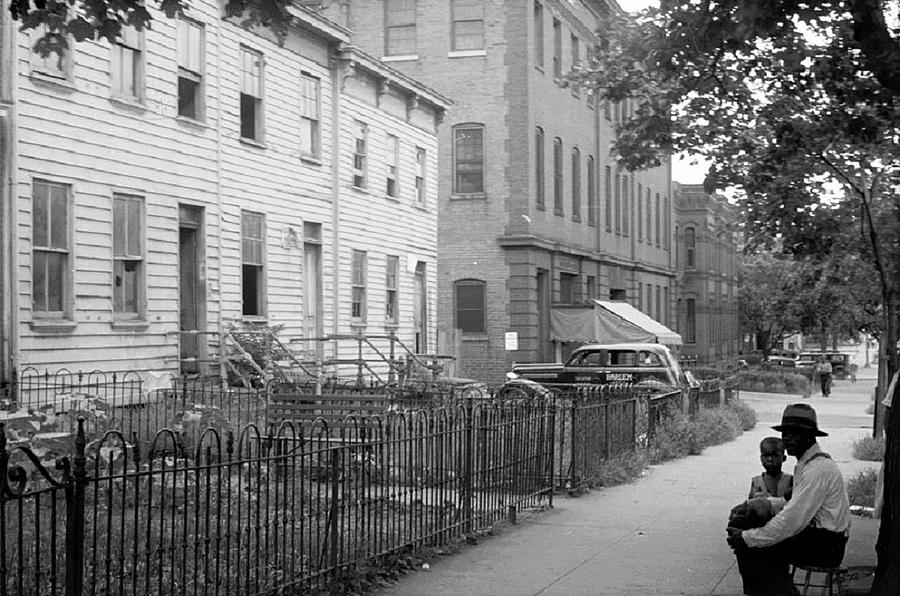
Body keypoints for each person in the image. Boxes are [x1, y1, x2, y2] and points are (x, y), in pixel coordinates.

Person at [726, 403, 851, 596]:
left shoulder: (817, 469)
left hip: (826, 546)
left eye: (795, 434)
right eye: (785, 434)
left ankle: (780, 592)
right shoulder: (807, 464)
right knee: (748, 519)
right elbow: (790, 503)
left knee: (754, 547)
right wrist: (753, 505)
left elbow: (791, 520)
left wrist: (747, 538)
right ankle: (781, 590)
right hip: (818, 538)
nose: (788, 439)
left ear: (810, 436)